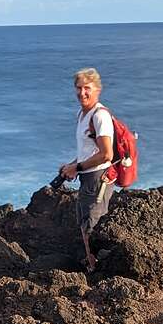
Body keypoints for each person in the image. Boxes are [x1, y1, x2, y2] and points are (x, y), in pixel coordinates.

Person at [57, 67, 114, 273]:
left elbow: (106, 154)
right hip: (86, 177)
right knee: (84, 222)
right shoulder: (82, 114)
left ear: (97, 89)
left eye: (87, 88)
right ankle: (92, 265)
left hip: (98, 178)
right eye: (79, 88)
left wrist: (77, 167)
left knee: (93, 225)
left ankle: (99, 271)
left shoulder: (100, 116)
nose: (82, 93)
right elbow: (89, 151)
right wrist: (71, 166)